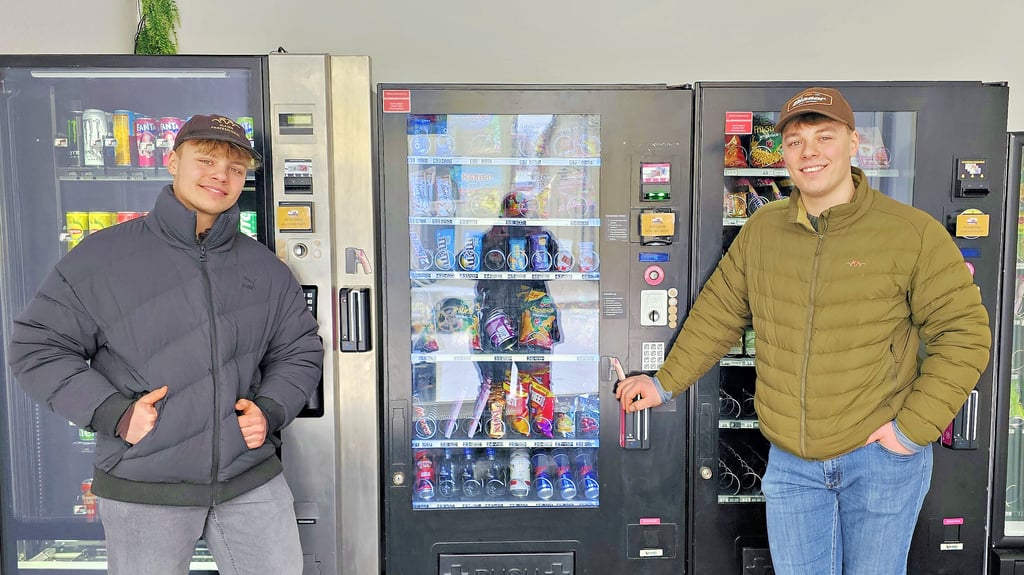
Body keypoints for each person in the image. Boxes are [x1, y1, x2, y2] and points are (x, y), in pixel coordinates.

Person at [614, 87, 990, 574]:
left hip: (879, 459)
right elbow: (719, 312)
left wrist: (911, 430)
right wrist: (663, 381)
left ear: (852, 143)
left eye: (824, 136)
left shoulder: (912, 234)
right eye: (795, 142)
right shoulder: (763, 230)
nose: (809, 152)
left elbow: (964, 334)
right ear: (785, 154)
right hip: (792, 464)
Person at [7, 114, 323, 575]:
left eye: (235, 168)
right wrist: (114, 412)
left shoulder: (266, 268)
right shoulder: (102, 257)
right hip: (144, 484)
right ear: (173, 161)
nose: (221, 175)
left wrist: (271, 408)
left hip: (250, 481)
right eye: (207, 159)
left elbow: (299, 350)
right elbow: (36, 348)